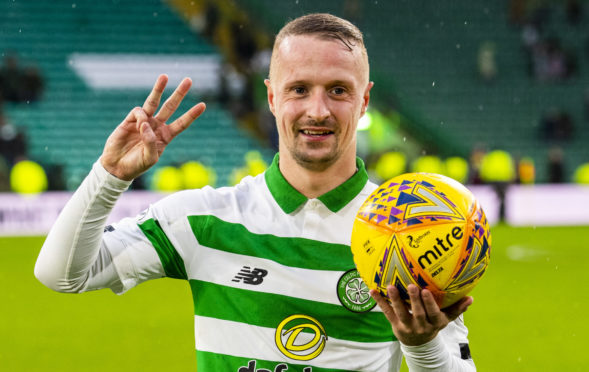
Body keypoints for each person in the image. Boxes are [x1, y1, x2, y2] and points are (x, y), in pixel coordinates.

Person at [35, 13, 475, 371]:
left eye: (338, 90)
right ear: (270, 96)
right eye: (299, 89)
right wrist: (109, 175)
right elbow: (63, 275)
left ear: (363, 102)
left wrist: (421, 347)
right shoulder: (206, 220)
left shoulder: (409, 235)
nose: (317, 110)